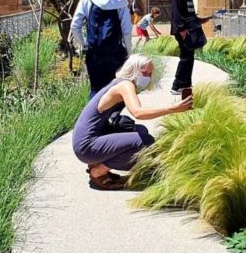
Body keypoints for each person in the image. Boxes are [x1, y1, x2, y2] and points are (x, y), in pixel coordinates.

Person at [72, 55, 192, 190]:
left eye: (150, 73)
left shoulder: (121, 82)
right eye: (144, 73)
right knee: (145, 142)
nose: (147, 76)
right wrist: (171, 109)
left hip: (88, 141)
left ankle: (98, 162)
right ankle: (99, 170)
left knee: (140, 131)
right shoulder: (125, 85)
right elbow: (138, 112)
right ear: (133, 69)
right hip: (86, 146)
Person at [71, 0, 133, 98]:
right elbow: (127, 31)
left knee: (95, 90)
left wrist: (84, 44)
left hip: (94, 52)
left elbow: (75, 25)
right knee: (114, 90)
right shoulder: (120, 1)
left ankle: (93, 118)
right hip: (115, 52)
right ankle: (112, 116)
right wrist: (129, 52)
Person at [170, 0, 213, 95]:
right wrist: (181, 29)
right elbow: (176, 11)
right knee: (185, 57)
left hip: (188, 29)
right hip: (183, 31)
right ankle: (176, 86)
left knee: (189, 57)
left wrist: (199, 20)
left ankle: (185, 84)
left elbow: (188, 12)